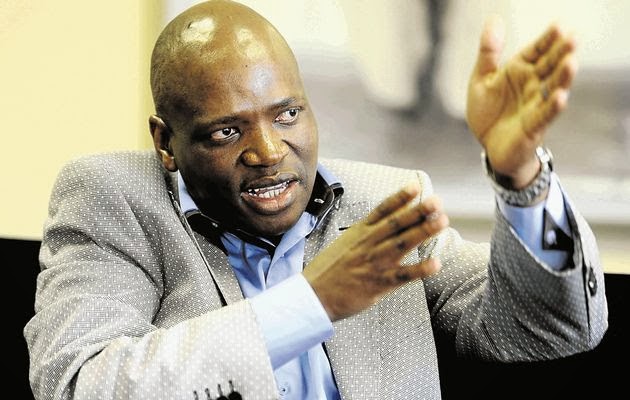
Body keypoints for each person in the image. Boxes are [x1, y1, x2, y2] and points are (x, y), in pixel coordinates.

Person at [24, 1, 608, 399]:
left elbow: (554, 328)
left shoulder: (385, 206)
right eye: (227, 131)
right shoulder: (116, 199)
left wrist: (520, 175)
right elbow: (75, 384)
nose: (268, 151)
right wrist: (311, 303)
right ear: (165, 143)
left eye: (287, 114)